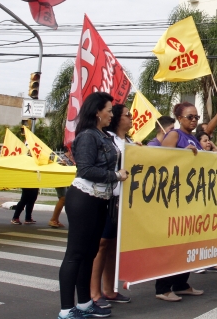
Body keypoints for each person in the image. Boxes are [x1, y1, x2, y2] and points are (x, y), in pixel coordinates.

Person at [58, 92, 128, 319]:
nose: (111, 115)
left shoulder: (104, 136)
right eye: (108, 110)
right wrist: (115, 176)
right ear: (97, 112)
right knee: (75, 254)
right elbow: (86, 169)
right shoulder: (88, 136)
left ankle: (85, 303)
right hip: (84, 198)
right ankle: (67, 309)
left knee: (89, 253)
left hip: (100, 200)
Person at [154, 102, 209, 301]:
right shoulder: (174, 135)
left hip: (190, 198)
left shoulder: (193, 137)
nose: (194, 120)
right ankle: (163, 288)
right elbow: (163, 162)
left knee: (187, 244)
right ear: (179, 118)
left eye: (196, 117)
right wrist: (183, 152)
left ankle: (181, 283)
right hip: (175, 198)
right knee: (172, 246)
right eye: (190, 117)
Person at [90, 104, 136, 307]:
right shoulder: (108, 139)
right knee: (101, 245)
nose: (131, 118)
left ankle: (109, 290)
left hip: (124, 201)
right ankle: (94, 292)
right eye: (127, 115)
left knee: (113, 247)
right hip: (108, 198)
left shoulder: (131, 142)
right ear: (118, 118)